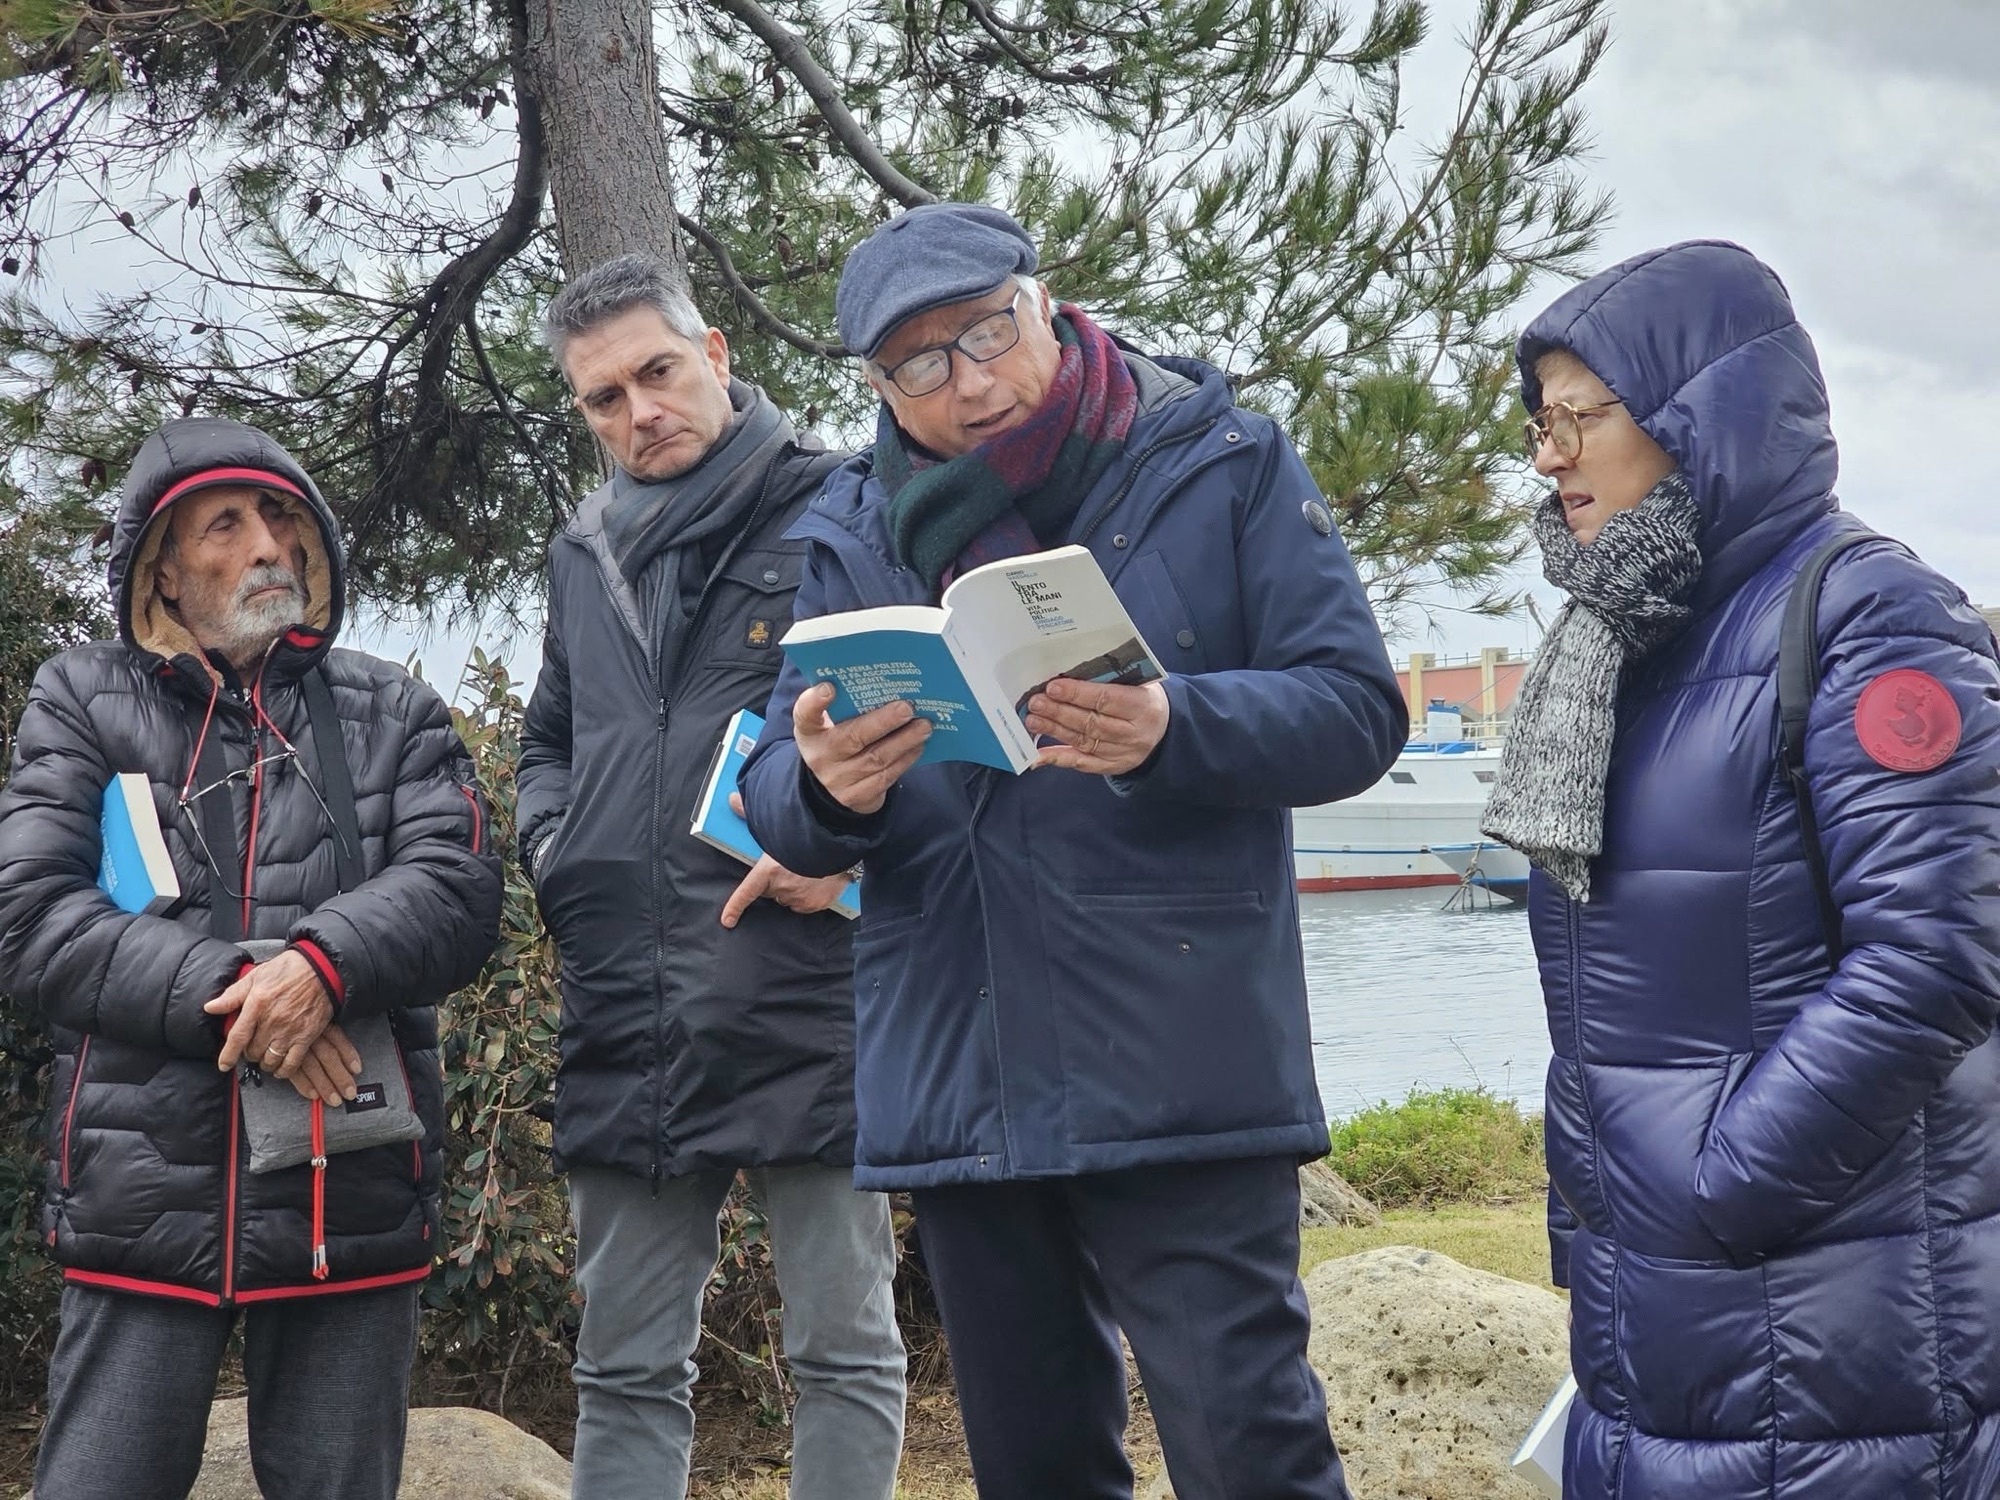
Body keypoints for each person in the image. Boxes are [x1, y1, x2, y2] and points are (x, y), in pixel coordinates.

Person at [740, 201, 1407, 1500]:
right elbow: (773, 786)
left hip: (1181, 1059)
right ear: (877, 383)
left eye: (988, 332)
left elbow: (1357, 710)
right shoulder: (845, 527)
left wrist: (1173, 724)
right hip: (960, 1067)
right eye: (919, 366)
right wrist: (824, 794)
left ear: (1044, 301)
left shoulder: (1219, 460)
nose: (970, 383)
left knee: (1250, 1452)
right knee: (1036, 1470)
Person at [1482, 240, 2000, 1499]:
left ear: (1691, 418)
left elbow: (1937, 954)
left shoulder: (1867, 618)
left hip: (1831, 1313)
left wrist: (1722, 1183)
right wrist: (1614, 1209)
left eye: (1576, 417)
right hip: (1653, 1298)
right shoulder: (1625, 639)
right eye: (1538, 422)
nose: (1546, 456)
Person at [0, 417, 502, 1498]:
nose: (268, 542)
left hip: (348, 1197)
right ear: (164, 572)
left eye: (280, 516)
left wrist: (320, 968)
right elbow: (32, 919)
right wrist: (245, 998)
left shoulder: (394, 707)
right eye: (225, 524)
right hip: (143, 1200)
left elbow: (459, 892)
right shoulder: (81, 698)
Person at [516, 253, 906, 1499]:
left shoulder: (844, 508)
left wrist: (848, 875)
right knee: (623, 1369)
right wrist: (555, 854)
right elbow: (548, 741)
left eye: (658, 373)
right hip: (626, 1000)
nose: (638, 413)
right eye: (603, 398)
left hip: (805, 993)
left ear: (717, 357)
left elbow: (930, 727)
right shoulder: (582, 552)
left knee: (841, 1351)